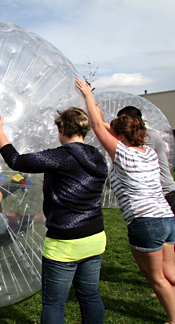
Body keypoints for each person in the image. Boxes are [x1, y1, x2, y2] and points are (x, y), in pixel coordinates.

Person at [0, 106, 108, 324]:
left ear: (64, 129)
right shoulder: (96, 156)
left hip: (65, 241)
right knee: (89, 295)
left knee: (54, 303)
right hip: (95, 237)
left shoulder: (61, 156)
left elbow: (16, 161)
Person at [76, 77, 175, 324]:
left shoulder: (124, 155)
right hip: (167, 218)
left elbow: (98, 125)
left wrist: (87, 94)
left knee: (157, 280)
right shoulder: (149, 152)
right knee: (170, 273)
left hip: (146, 222)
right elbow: (104, 126)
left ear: (119, 136)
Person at [116, 106, 175, 214]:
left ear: (137, 121)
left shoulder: (148, 136)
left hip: (166, 193)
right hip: (158, 194)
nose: (120, 126)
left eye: (124, 121)